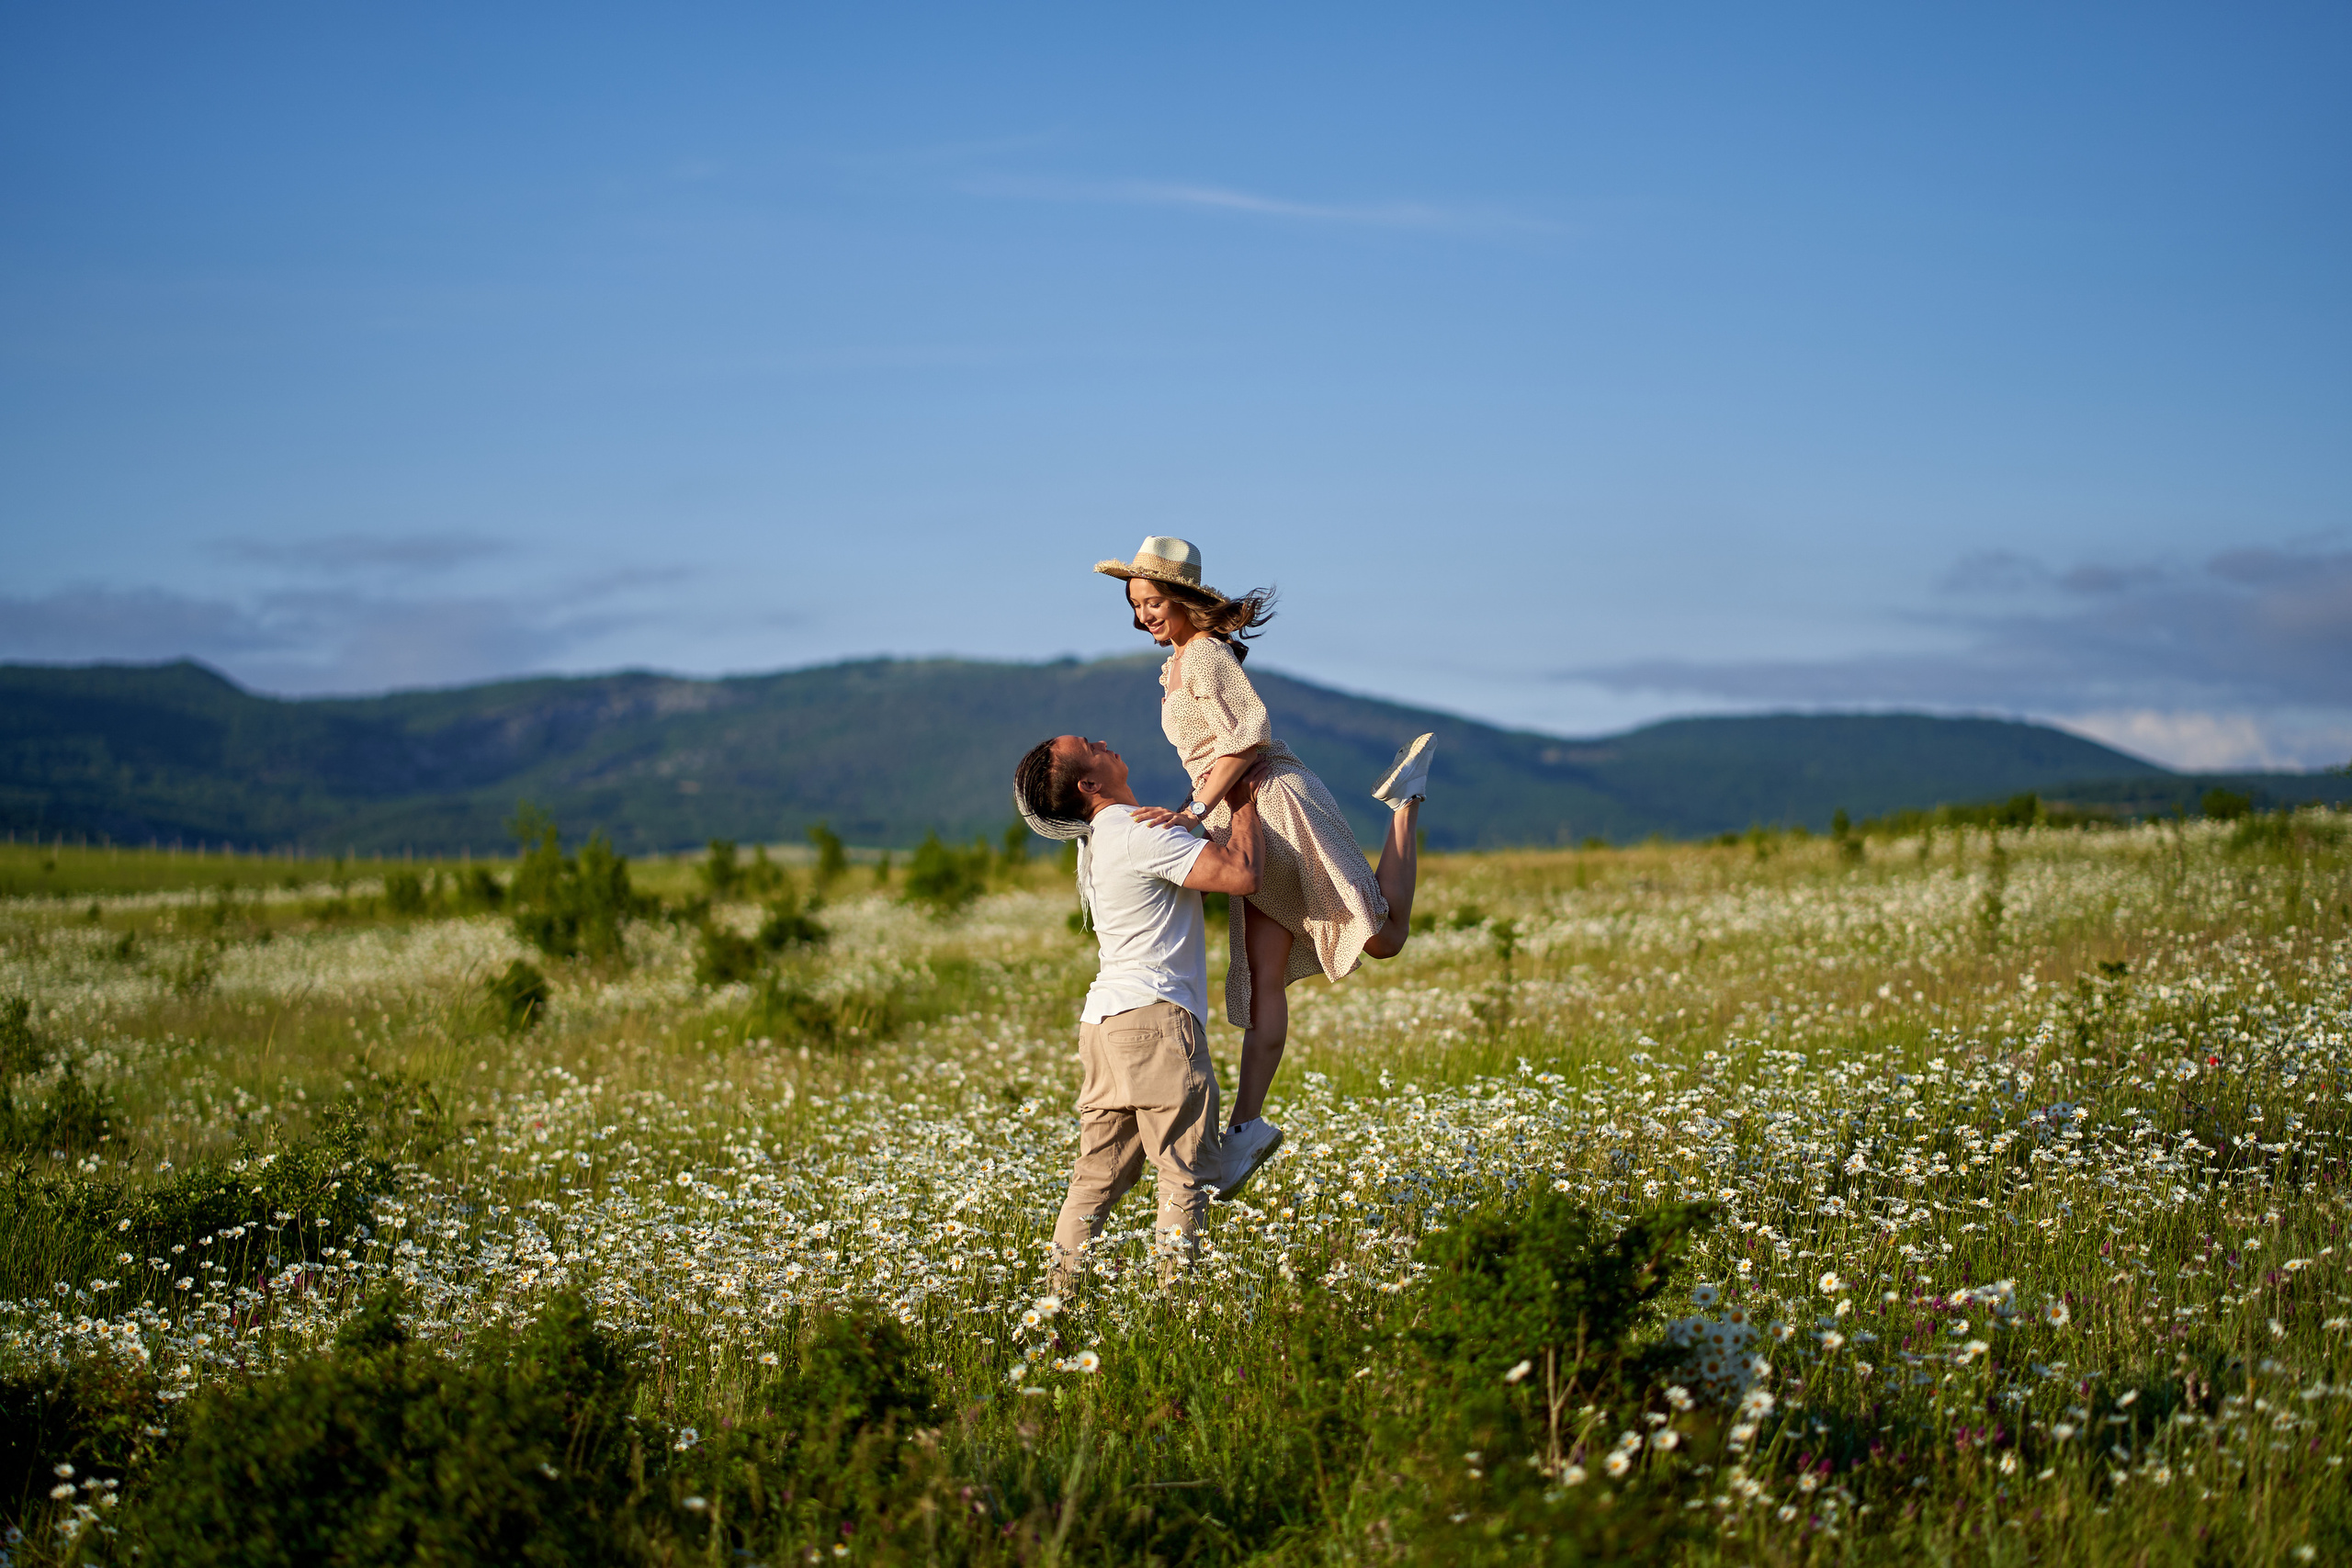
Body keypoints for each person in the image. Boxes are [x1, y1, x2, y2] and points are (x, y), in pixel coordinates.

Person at [1091, 536, 1433, 1180]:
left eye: (1153, 602)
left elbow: (1250, 736)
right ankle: (1246, 1127)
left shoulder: (1206, 655)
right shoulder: (1176, 664)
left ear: (1185, 599)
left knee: (1384, 938)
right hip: (1239, 816)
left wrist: (1192, 812)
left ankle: (1405, 802)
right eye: (1137, 605)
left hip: (1277, 801)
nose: (1144, 617)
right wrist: (1199, 810)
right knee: (1262, 976)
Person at [1012, 732, 1269, 1286]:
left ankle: (1057, 1300)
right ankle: (1178, 1306)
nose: (1106, 741)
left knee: (1095, 1178)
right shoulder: (1135, 832)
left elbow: (1176, 869)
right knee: (1185, 1172)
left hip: (1104, 1024)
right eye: (1091, 745)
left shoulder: (1104, 840)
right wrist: (1244, 801)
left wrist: (1192, 811)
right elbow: (1241, 875)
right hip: (1156, 1019)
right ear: (1090, 783)